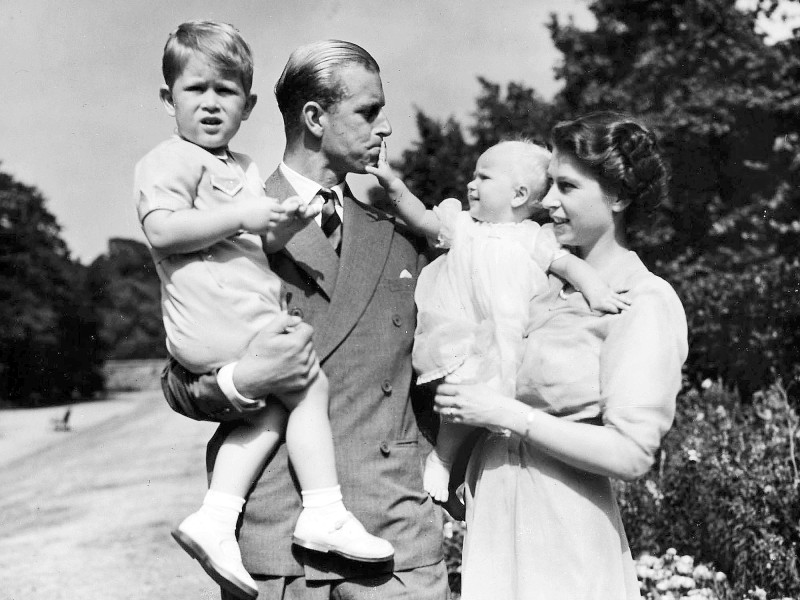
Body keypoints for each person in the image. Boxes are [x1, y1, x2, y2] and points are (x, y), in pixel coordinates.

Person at [160, 39, 449, 600]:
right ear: (314, 117)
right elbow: (177, 379)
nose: (385, 127)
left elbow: (446, 365)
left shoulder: (399, 235)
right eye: (369, 111)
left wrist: (437, 465)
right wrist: (240, 383)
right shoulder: (219, 221)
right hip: (278, 546)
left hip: (395, 540)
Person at [434, 112, 689, 599]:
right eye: (549, 184)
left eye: (567, 188)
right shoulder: (537, 284)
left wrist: (509, 414)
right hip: (493, 522)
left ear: (617, 197)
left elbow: (631, 454)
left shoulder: (642, 300)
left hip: (566, 537)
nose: (547, 201)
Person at [366, 139, 629, 503]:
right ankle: (442, 457)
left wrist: (595, 289)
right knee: (461, 395)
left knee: (499, 406)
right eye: (473, 176)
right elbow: (423, 218)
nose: (471, 184)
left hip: (509, 338)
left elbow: (569, 265)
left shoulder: (533, 238)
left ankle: (480, 473)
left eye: (484, 177)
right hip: (462, 332)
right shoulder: (463, 226)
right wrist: (393, 185)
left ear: (519, 194)